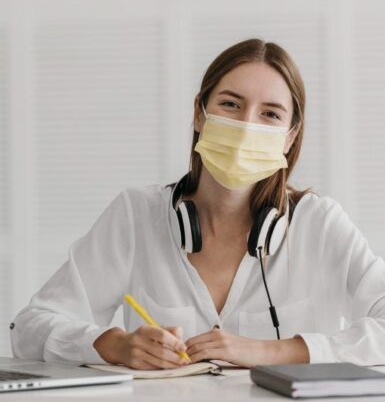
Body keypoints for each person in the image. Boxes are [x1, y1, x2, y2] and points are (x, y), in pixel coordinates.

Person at [10, 38, 385, 369]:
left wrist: (270, 352)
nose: (246, 127)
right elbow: (29, 327)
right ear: (199, 114)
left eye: (269, 114)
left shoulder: (319, 224)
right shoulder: (136, 214)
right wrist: (114, 345)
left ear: (289, 137)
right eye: (230, 104)